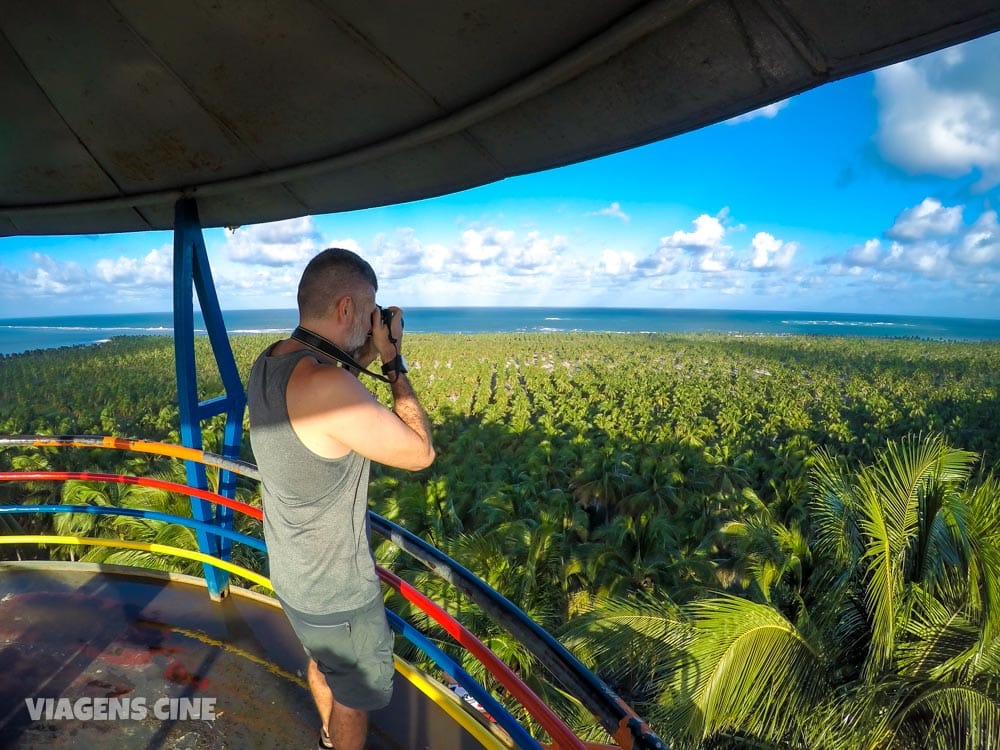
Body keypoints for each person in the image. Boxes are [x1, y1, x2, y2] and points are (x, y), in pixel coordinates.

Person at [246, 248, 435, 750]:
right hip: (338, 592)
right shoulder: (327, 386)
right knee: (355, 695)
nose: (374, 323)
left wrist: (367, 349)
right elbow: (420, 452)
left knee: (322, 661)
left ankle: (326, 738)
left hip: (292, 577)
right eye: (369, 313)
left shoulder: (270, 363)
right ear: (347, 308)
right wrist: (393, 361)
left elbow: (336, 387)